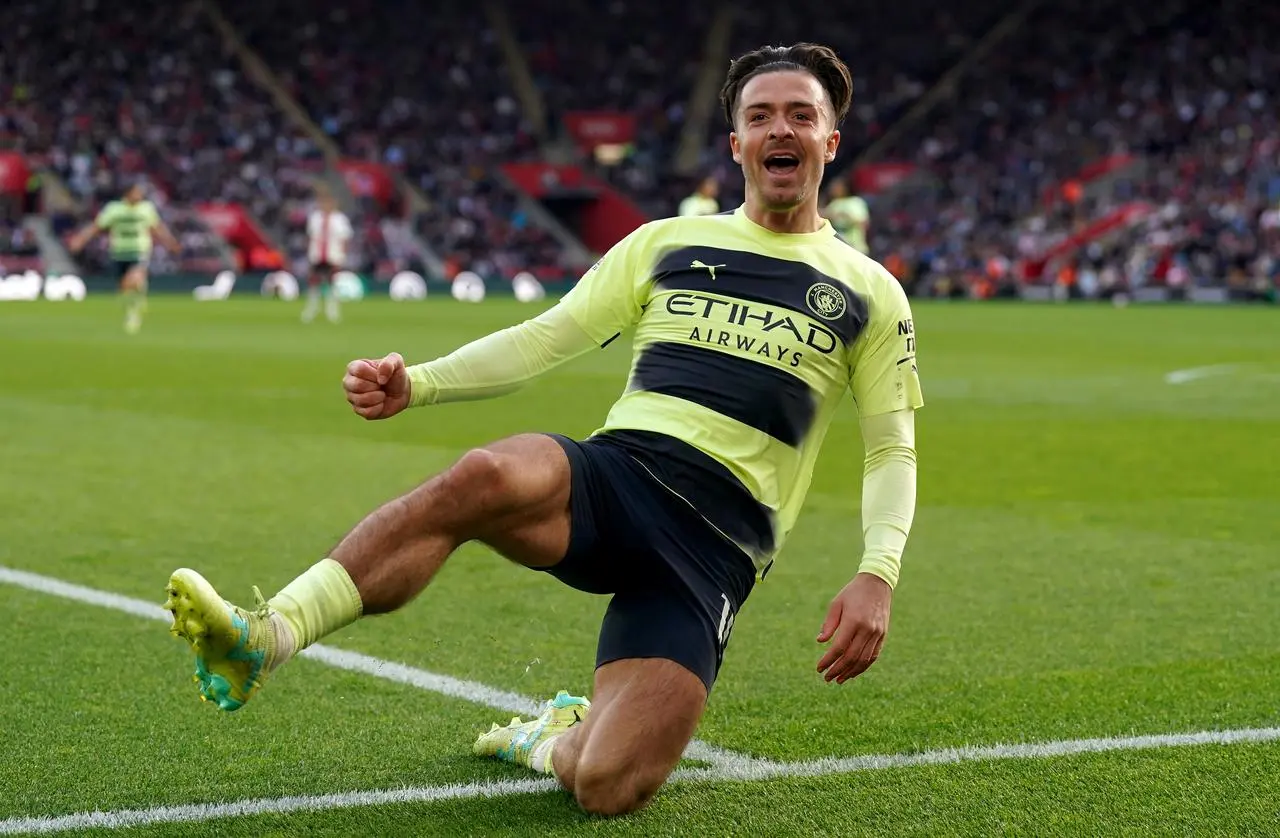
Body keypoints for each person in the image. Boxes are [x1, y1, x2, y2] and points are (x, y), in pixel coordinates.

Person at [164, 42, 923, 817]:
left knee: (606, 785)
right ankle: (270, 636)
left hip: (714, 551)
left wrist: (879, 572)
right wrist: (418, 383)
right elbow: (545, 337)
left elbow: (891, 444)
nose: (779, 131)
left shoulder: (869, 293)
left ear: (830, 141)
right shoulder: (667, 244)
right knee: (483, 477)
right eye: (759, 117)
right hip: (619, 478)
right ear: (736, 144)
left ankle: (553, 735)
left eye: (802, 116)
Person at [68, 182, 181, 334]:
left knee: (133, 278)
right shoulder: (114, 209)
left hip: (140, 250)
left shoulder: (146, 209)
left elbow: (157, 228)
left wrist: (170, 242)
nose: (139, 195)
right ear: (127, 193)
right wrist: (80, 239)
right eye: (136, 192)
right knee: (125, 287)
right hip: (120, 252)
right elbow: (97, 226)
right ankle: (137, 300)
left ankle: (133, 314)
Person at [302, 190, 353, 323]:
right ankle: (312, 309)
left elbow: (345, 238)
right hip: (317, 255)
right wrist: (309, 253)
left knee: (332, 283)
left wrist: (342, 255)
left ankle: (332, 311)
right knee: (314, 282)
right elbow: (310, 237)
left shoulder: (340, 219)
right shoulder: (315, 218)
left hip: (333, 255)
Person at [822, 177, 871, 254]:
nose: (834, 189)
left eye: (837, 187)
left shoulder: (856, 201)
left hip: (855, 247)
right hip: (837, 247)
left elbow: (863, 222)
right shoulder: (834, 203)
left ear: (845, 187)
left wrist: (845, 217)